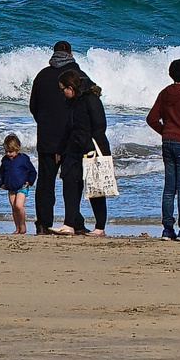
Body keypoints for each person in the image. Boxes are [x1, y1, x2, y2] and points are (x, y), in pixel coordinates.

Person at [27, 40, 81, 236]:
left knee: (45, 182)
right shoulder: (77, 75)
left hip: (47, 136)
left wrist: (43, 121)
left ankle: (43, 223)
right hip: (70, 138)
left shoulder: (42, 75)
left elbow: (33, 107)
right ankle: (73, 222)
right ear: (70, 53)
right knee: (72, 182)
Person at [146, 58, 180, 241]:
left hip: (168, 141)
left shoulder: (165, 93)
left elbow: (151, 119)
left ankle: (167, 228)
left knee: (169, 187)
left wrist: (165, 132)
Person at [60, 71, 111, 236]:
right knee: (70, 184)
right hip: (73, 149)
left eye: (63, 89)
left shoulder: (91, 99)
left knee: (96, 189)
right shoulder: (71, 101)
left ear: (71, 87)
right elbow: (68, 127)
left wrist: (90, 146)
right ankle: (69, 223)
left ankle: (100, 227)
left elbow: (100, 126)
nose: (63, 93)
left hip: (93, 149)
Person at [0, 135, 36, 234]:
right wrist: (1, 183)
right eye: (6, 151)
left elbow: (32, 171)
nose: (8, 154)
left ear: (17, 149)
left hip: (22, 186)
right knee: (14, 208)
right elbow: (1, 172)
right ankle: (17, 227)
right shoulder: (5, 160)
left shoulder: (23, 159)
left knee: (19, 206)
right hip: (10, 187)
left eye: (11, 151)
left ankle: (22, 225)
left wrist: (29, 181)